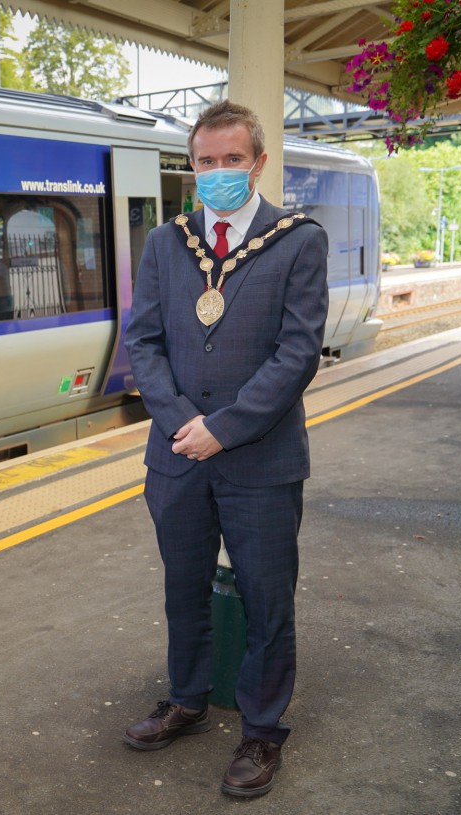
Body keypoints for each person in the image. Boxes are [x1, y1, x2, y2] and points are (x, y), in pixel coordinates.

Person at [122, 100, 328, 798]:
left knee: (268, 598)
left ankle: (263, 729)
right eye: (204, 162)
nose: (215, 173)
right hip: (177, 454)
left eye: (230, 160)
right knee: (184, 588)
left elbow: (297, 353)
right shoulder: (165, 242)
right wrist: (185, 423)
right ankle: (186, 696)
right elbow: (142, 341)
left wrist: (225, 426)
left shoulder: (298, 240)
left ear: (258, 162)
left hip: (261, 461)